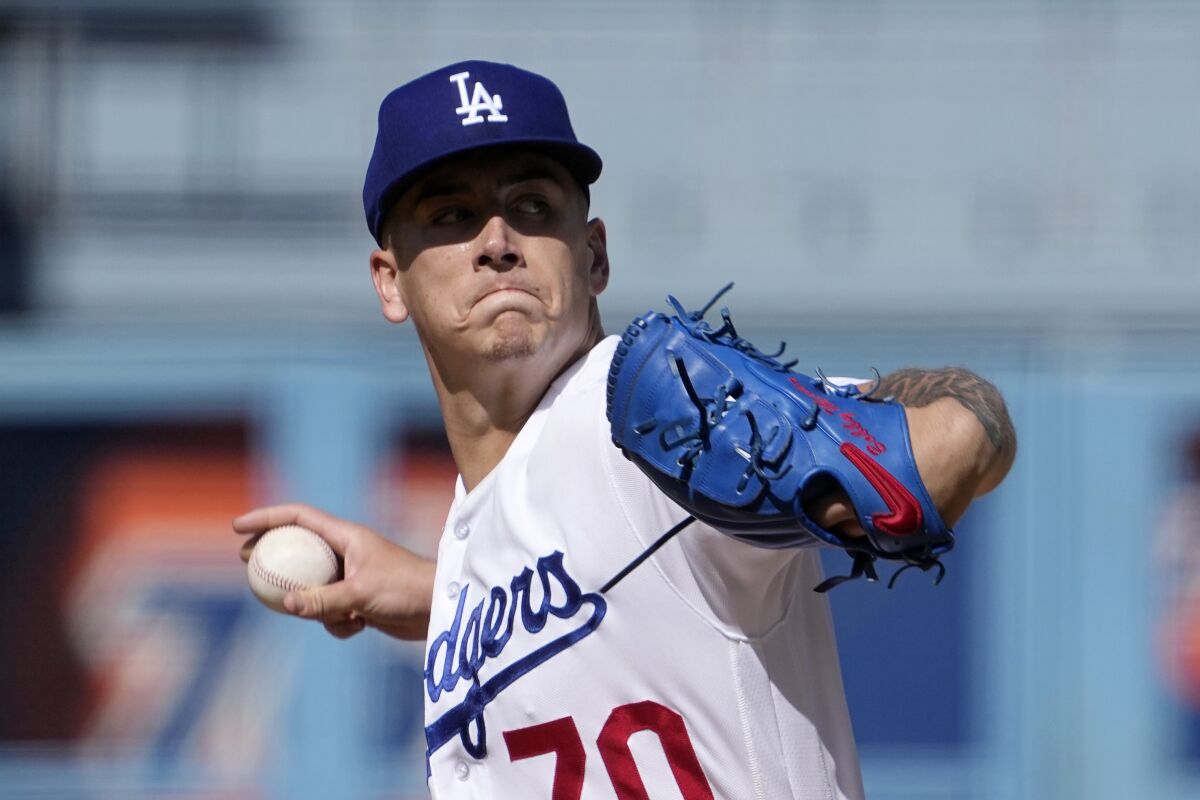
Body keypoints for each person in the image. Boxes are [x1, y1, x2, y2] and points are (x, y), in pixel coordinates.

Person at [235, 60, 1016, 799]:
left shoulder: (651, 413)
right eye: (452, 216)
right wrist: (436, 595)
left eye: (533, 206)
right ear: (389, 280)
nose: (498, 241)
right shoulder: (474, 529)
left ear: (595, 254)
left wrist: (881, 466)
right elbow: (613, 588)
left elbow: (966, 432)